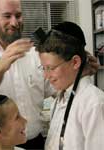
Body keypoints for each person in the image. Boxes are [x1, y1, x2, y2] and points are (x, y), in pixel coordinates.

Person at [0, 0, 98, 149]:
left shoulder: (35, 54)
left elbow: (58, 88)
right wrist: (1, 65)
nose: (14, 22)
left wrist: (77, 70)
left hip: (33, 143)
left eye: (18, 15)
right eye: (7, 16)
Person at [36, 21, 104, 150]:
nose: (46, 75)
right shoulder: (60, 98)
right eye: (43, 68)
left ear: (75, 62)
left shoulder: (94, 104)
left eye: (51, 68)